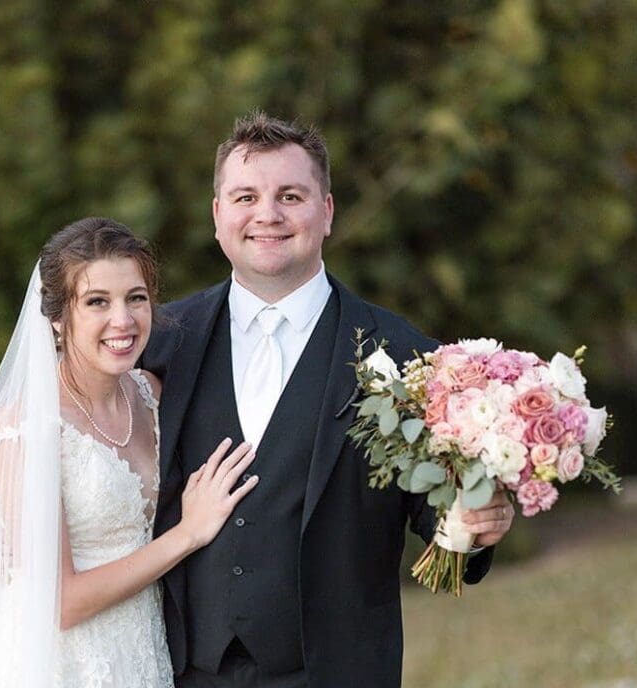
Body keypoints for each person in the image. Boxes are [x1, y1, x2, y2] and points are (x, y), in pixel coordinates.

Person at [141, 112, 515, 688]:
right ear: (218, 216)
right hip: (185, 672)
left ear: (327, 212)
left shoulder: (406, 356)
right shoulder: (161, 341)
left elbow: (441, 527)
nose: (267, 214)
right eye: (246, 196)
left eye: (290, 195)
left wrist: (474, 524)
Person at [0, 217, 259, 687]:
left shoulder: (153, 395)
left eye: (135, 298)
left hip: (144, 654)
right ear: (58, 318)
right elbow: (59, 603)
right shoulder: (24, 431)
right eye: (97, 302)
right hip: (63, 667)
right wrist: (187, 534)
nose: (122, 320)